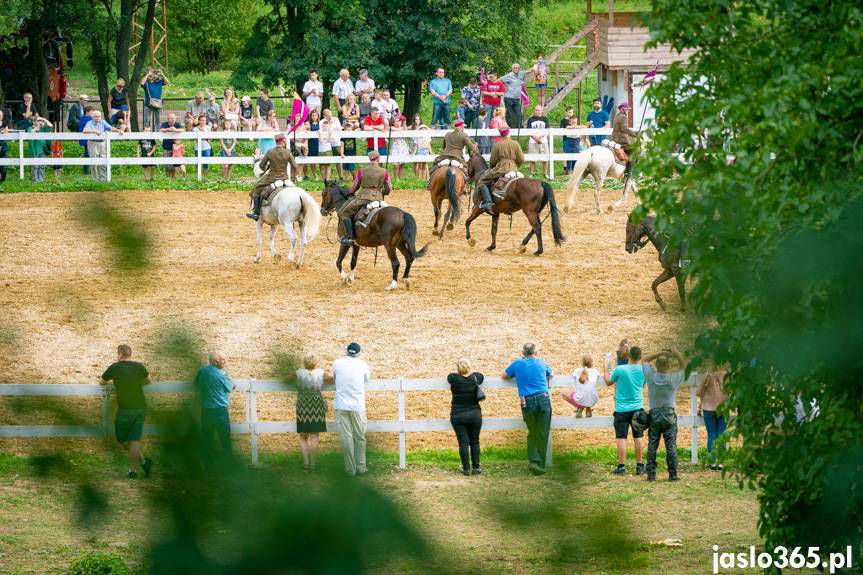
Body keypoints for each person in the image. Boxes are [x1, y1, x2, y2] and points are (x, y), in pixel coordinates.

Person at [99, 344, 153, 479]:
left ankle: (133, 470)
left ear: (120, 354)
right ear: (130, 354)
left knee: (122, 439)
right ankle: (144, 462)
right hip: (140, 407)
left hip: (125, 408)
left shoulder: (114, 367)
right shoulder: (139, 366)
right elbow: (148, 381)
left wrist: (115, 383)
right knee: (134, 439)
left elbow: (101, 382)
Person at [503, 342, 553, 475]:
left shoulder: (517, 363)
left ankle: (534, 461)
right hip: (543, 399)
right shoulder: (542, 363)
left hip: (527, 401)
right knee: (543, 432)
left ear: (523, 353)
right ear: (535, 353)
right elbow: (550, 373)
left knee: (532, 431)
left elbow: (504, 375)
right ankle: (540, 465)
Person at [641, 348, 687, 481]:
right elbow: (685, 367)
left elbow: (644, 360)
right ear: (669, 366)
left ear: (656, 365)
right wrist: (677, 354)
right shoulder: (673, 379)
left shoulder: (651, 377)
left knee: (652, 444)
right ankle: (673, 474)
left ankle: (651, 474)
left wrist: (658, 353)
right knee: (671, 446)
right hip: (669, 414)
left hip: (654, 414)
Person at [325, 342, 370, 477]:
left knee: (346, 438)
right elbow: (366, 379)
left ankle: (350, 469)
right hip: (357, 406)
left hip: (342, 405)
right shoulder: (363, 365)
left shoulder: (337, 363)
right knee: (360, 437)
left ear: (346, 351)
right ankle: (361, 467)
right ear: (359, 353)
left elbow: (333, 378)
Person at [603, 344, 645, 475]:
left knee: (621, 437)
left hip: (621, 409)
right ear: (640, 357)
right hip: (637, 408)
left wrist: (605, 366)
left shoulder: (620, 369)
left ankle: (621, 466)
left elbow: (608, 381)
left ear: (629, 356)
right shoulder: (643, 370)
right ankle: (639, 466)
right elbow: (642, 385)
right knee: (638, 436)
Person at [338, 150, 393, 245]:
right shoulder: (384, 172)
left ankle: (350, 238)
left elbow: (355, 186)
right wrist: (383, 192)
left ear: (369, 159)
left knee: (345, 213)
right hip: (378, 198)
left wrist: (351, 192)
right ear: (378, 159)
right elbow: (389, 188)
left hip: (363, 197)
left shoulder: (361, 171)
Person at [194, 351, 235, 464]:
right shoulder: (222, 375)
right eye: (223, 360)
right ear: (216, 362)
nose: (225, 362)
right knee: (225, 438)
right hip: (220, 411)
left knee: (207, 438)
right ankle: (228, 463)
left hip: (206, 410)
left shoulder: (202, 372)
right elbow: (231, 387)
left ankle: (207, 464)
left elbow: (196, 383)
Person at [247, 132, 298, 221]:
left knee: (256, 189)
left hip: (271, 178)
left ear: (276, 142)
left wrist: (269, 165)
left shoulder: (270, 152)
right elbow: (295, 167)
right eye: (284, 141)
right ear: (282, 141)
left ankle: (256, 213)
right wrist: (294, 178)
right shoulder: (287, 152)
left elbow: (261, 166)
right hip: (285, 179)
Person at [448, 359, 484, 475]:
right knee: (474, 441)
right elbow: (481, 375)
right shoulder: (475, 378)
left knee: (463, 442)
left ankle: (466, 468)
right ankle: (476, 467)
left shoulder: (454, 379)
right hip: (474, 414)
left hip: (458, 414)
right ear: (469, 367)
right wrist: (471, 372)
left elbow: (449, 376)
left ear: (458, 369)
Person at [476, 127, 523, 212]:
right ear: (508, 133)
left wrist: (493, 167)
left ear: (500, 134)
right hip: (514, 169)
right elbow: (521, 159)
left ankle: (488, 202)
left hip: (502, 168)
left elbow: (493, 161)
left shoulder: (497, 145)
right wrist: (515, 165)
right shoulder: (516, 143)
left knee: (482, 181)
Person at [295, 353, 327, 472]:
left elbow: (285, 379)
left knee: (303, 436)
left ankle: (306, 463)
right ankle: (313, 464)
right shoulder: (321, 372)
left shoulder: (298, 373)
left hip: (303, 403)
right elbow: (331, 379)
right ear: (316, 363)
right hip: (316, 404)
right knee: (314, 435)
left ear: (304, 362)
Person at [697, 368, 729, 470]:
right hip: (723, 408)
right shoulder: (727, 374)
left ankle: (712, 462)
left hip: (708, 408)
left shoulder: (708, 374)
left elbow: (698, 392)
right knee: (721, 434)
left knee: (711, 434)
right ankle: (721, 462)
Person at [427, 118, 478, 183]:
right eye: (463, 127)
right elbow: (473, 149)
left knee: (435, 166)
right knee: (465, 170)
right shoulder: (464, 136)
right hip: (457, 158)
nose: (463, 128)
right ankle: (466, 183)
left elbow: (443, 147)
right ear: (461, 127)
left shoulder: (447, 134)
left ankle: (429, 181)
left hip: (445, 156)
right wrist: (475, 145)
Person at [83, 110, 123, 182]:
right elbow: (85, 130)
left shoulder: (102, 122)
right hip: (92, 143)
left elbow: (110, 128)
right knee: (94, 161)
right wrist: (95, 131)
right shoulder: (89, 123)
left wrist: (119, 130)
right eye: (96, 116)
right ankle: (95, 179)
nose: (97, 118)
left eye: (99, 116)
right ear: (92, 117)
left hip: (102, 143)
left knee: (103, 160)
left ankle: (103, 179)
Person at [611, 103, 638, 177]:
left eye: (628, 109)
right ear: (622, 109)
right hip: (621, 140)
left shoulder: (617, 116)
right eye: (627, 109)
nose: (628, 111)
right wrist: (635, 134)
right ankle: (628, 171)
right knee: (634, 150)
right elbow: (624, 129)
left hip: (614, 138)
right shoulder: (623, 117)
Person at [525, 104, 549, 178]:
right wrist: (535, 138)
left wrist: (540, 138)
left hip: (543, 141)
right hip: (533, 141)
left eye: (538, 110)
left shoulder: (545, 119)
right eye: (536, 110)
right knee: (532, 158)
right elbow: (528, 131)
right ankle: (532, 173)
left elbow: (547, 130)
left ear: (541, 111)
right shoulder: (530, 119)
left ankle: (545, 174)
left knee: (545, 158)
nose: (537, 111)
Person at [320, 108, 343, 181]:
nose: (329, 114)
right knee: (326, 162)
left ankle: (340, 177)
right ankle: (326, 179)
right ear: (324, 115)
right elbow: (323, 131)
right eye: (326, 113)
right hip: (326, 145)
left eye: (329, 113)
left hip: (336, 143)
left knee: (338, 161)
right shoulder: (321, 122)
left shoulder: (336, 120)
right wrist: (330, 125)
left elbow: (339, 129)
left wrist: (331, 127)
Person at [500, 63, 526, 128]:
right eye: (515, 68)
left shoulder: (521, 74)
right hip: (508, 98)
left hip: (517, 99)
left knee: (519, 113)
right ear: (512, 69)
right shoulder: (509, 75)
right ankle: (509, 128)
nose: (516, 69)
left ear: (519, 69)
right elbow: (500, 80)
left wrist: (535, 67)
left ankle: (518, 128)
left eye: (518, 68)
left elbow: (528, 71)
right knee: (509, 114)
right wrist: (504, 86)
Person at [27, 116, 52, 183]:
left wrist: (43, 119)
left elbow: (50, 125)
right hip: (34, 150)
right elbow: (30, 134)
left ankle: (41, 180)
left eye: (39, 121)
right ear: (33, 122)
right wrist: (36, 128)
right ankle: (34, 181)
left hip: (43, 149)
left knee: (42, 165)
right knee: (35, 166)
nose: (38, 122)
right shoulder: (30, 128)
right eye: (36, 121)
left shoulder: (43, 128)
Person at [159, 112, 183, 178]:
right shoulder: (164, 124)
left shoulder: (177, 124)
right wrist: (168, 129)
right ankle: (167, 178)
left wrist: (175, 130)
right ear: (168, 119)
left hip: (175, 148)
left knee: (174, 164)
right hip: (166, 147)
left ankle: (173, 178)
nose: (173, 120)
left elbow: (182, 129)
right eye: (171, 118)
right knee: (167, 164)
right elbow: (161, 130)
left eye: (174, 118)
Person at [561, 106, 582, 174]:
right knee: (569, 157)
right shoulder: (568, 126)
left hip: (576, 142)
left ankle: (574, 170)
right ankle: (568, 170)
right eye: (573, 122)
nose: (574, 124)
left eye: (575, 122)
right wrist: (572, 126)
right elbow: (566, 127)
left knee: (575, 157)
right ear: (570, 122)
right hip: (569, 142)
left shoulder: (577, 127)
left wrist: (577, 126)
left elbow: (584, 126)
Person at [388, 114, 409, 180]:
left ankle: (401, 179)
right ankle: (396, 180)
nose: (398, 122)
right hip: (396, 147)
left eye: (399, 121)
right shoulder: (391, 128)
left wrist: (403, 125)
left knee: (402, 165)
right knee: (396, 165)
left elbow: (406, 131)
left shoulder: (403, 127)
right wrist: (399, 129)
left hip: (402, 146)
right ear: (393, 123)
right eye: (396, 121)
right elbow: (389, 128)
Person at [411, 114, 431, 180]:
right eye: (416, 119)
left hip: (424, 148)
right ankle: (418, 178)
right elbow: (416, 144)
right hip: (416, 146)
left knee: (425, 164)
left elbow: (429, 142)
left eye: (418, 119)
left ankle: (426, 177)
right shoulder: (412, 127)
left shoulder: (424, 129)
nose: (417, 121)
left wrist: (425, 126)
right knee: (417, 164)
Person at [193, 113, 212, 178]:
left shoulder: (208, 128)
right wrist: (204, 135)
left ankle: (205, 178)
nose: (203, 122)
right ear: (199, 121)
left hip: (207, 147)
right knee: (198, 163)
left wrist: (203, 136)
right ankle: (199, 177)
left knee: (206, 164)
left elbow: (210, 139)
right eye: (202, 120)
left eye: (204, 120)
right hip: (197, 148)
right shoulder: (195, 129)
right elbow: (196, 140)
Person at [306, 109, 321, 181]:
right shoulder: (309, 124)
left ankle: (321, 174)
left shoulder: (320, 124)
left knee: (319, 159)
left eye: (315, 115)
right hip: (311, 143)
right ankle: (315, 175)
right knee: (312, 160)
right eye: (312, 115)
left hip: (319, 144)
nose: (314, 117)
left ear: (318, 116)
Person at [0, 108, 9, 183]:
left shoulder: (4, 123)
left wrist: (4, 133)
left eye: (0, 115)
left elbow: (7, 132)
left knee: (4, 165)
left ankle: (3, 179)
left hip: (3, 146)